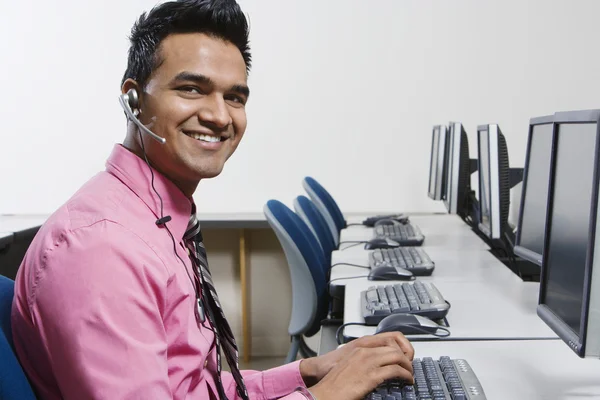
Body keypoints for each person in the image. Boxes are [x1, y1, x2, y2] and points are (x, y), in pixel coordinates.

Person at [11, 1, 415, 399]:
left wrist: (308, 372)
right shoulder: (104, 249)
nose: (221, 117)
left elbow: (191, 390)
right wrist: (326, 396)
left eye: (235, 97)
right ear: (134, 100)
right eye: (192, 89)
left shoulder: (159, 219)